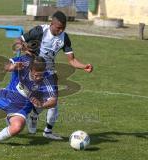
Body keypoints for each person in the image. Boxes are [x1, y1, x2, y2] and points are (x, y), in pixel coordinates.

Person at [16, 11, 93, 140]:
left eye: (63, 28)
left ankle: (46, 129)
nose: (61, 30)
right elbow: (19, 41)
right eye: (58, 28)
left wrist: (84, 66)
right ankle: (17, 116)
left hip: (49, 72)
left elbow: (72, 60)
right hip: (35, 70)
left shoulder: (64, 38)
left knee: (53, 103)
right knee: (28, 97)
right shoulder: (40, 30)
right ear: (52, 24)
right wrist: (24, 49)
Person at [0, 41, 57, 144]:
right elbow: (5, 65)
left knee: (17, 127)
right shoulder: (23, 63)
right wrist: (11, 67)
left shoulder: (48, 78)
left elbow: (53, 101)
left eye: (41, 75)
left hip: (21, 106)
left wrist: (42, 104)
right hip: (7, 95)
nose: (38, 78)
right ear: (30, 69)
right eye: (36, 75)